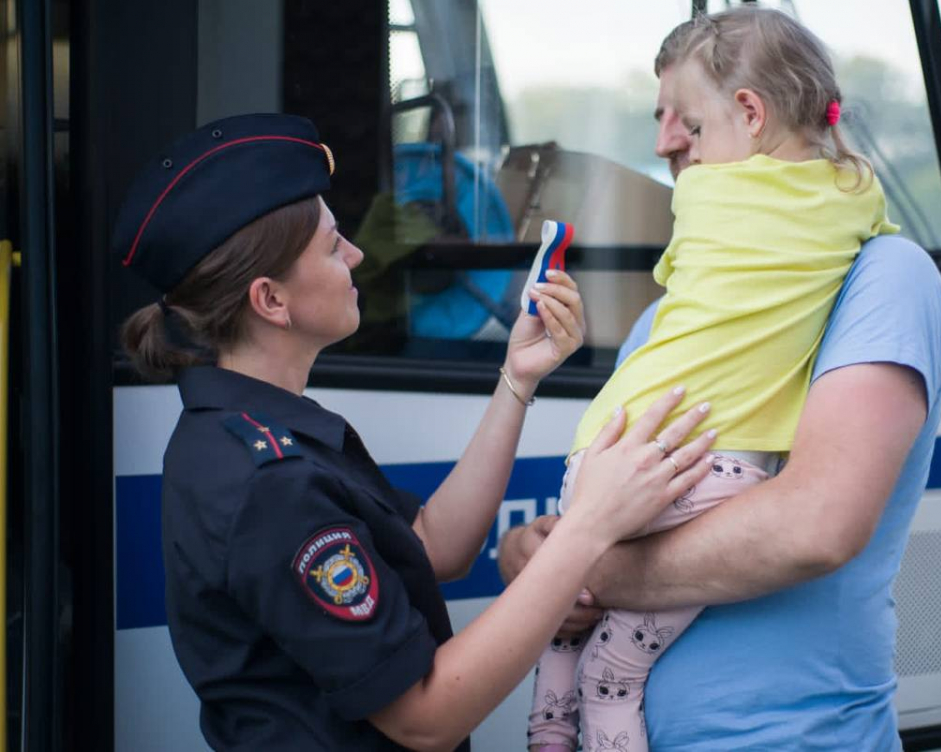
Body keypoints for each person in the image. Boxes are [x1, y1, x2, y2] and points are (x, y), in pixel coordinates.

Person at [114, 113, 720, 752]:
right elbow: (425, 717)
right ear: (270, 300)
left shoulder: (254, 434)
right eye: (331, 245)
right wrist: (588, 528)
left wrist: (516, 380)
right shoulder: (270, 483)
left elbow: (433, 546)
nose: (356, 255)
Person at [501, 8, 941, 749]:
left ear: (750, 114)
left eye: (686, 118)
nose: (663, 143)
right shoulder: (669, 318)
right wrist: (535, 551)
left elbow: (817, 525)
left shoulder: (884, 275)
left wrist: (579, 565)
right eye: (658, 118)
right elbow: (631, 503)